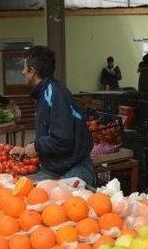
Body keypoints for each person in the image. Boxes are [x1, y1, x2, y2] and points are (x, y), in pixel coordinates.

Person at [10, 46, 95, 185]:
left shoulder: (55, 94)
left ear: (33, 71)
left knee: (64, 202)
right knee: (18, 187)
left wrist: (37, 147)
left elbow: (62, 139)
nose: (23, 72)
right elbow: (51, 132)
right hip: (56, 167)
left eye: (25, 68)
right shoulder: (45, 93)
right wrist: (28, 148)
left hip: (74, 169)